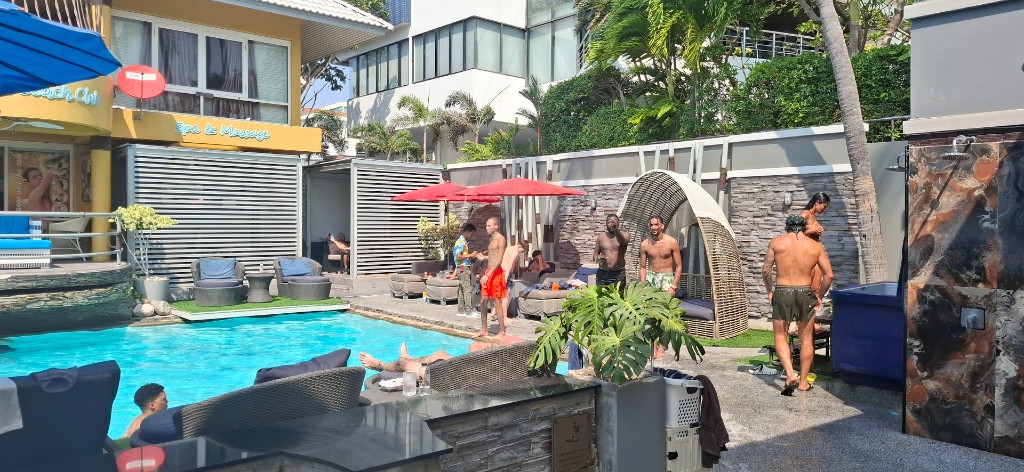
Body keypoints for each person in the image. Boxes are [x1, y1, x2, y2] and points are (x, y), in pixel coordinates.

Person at [762, 215, 834, 396]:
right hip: (805, 292)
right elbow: (829, 276)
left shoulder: (776, 243)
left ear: (786, 227)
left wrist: (770, 290)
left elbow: (766, 271)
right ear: (804, 228)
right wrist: (819, 296)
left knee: (780, 336)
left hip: (783, 291)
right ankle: (803, 382)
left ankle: (790, 374)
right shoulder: (816, 246)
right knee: (806, 338)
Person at [358, 336, 528, 379]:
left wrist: (492, 346)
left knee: (403, 364)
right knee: (440, 354)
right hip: (460, 368)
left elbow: (475, 346)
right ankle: (410, 357)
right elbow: (474, 347)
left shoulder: (490, 368)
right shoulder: (507, 367)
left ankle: (379, 364)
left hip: (447, 375)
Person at [475, 217, 507, 338]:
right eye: (486, 226)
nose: (486, 228)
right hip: (488, 271)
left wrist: (488, 274)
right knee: (483, 300)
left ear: (496, 226)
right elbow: (493, 256)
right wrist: (484, 258)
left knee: (497, 302)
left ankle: (502, 331)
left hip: (496, 273)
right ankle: (484, 329)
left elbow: (499, 259)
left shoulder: (501, 239)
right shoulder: (491, 239)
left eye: (489, 226)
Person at [799, 193, 831, 299]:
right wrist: (812, 230)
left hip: (816, 254)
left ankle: (816, 304)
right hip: (806, 254)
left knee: (816, 287)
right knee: (808, 287)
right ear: (817, 202)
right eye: (824, 206)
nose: (824, 210)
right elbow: (794, 233)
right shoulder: (805, 214)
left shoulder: (814, 217)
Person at [639, 216, 682, 294]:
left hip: (667, 278)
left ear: (662, 226)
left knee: (667, 301)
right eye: (651, 225)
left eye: (656, 224)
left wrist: (674, 286)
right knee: (650, 301)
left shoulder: (672, 242)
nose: (653, 227)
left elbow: (678, 266)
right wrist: (643, 286)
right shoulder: (644, 244)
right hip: (651, 278)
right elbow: (642, 267)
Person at [494, 239, 530, 322]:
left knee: (500, 294)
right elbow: (509, 265)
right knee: (506, 296)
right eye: (522, 251)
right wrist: (506, 278)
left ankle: (493, 313)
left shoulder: (508, 248)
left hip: (501, 271)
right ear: (520, 246)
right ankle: (504, 317)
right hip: (507, 273)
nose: (521, 253)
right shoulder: (515, 252)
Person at [595, 213, 631, 288]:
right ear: (606, 224)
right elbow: (595, 254)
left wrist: (615, 229)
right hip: (602, 273)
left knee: (619, 295)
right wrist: (598, 258)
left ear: (618, 223)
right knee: (601, 295)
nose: (611, 225)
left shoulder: (625, 235)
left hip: (618, 274)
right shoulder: (601, 237)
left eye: (613, 222)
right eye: (609, 222)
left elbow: (622, 242)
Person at [452, 223, 480, 317]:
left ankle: (461, 310)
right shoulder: (461, 242)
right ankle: (469, 311)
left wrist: (471, 256)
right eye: (471, 234)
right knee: (467, 289)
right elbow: (458, 256)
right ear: (467, 232)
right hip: (463, 267)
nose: (472, 236)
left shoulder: (462, 242)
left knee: (461, 289)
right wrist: (471, 255)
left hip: (461, 267)